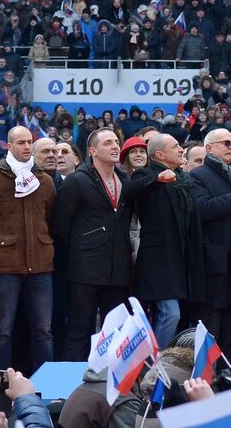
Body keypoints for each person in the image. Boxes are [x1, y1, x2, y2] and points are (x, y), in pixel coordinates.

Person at [0, 125, 57, 373]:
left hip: (40, 266)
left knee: (44, 331)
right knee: (2, 331)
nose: (27, 147)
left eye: (29, 142)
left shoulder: (45, 181)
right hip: (5, 267)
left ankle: (47, 387)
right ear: (9, 146)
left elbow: (50, 219)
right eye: (20, 143)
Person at [50, 127, 132, 361]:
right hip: (84, 271)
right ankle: (69, 388)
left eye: (117, 141)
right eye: (108, 143)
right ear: (93, 150)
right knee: (79, 330)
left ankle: (111, 384)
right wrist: (82, 249)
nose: (115, 146)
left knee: (116, 332)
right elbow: (60, 227)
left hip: (118, 271)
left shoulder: (125, 180)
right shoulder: (77, 181)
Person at [124, 133, 204, 347]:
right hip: (159, 260)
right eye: (176, 146)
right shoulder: (146, 174)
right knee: (170, 313)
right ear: (160, 154)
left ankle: (165, 362)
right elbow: (130, 191)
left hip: (183, 257)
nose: (181, 150)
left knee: (179, 316)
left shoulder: (185, 179)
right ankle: (155, 362)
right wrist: (156, 180)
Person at [189, 127, 231, 369]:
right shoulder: (198, 176)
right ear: (209, 148)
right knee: (210, 332)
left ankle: (227, 382)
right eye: (225, 143)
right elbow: (201, 210)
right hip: (212, 269)